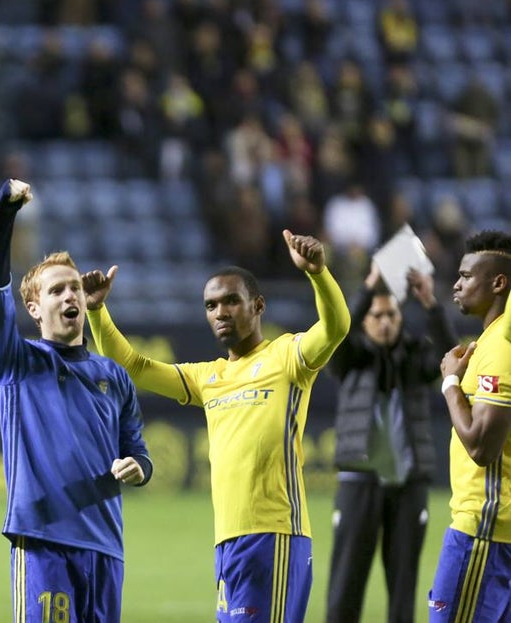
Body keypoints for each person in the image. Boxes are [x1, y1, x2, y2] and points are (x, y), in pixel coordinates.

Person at [83, 229, 350, 622]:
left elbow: (336, 327)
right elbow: (134, 367)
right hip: (227, 542)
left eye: (231, 301)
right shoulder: (208, 377)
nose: (220, 312)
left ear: (258, 305)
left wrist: (318, 274)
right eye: (210, 305)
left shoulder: (286, 357)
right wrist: (95, 311)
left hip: (274, 536)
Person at [0, 178, 153, 623]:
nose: (69, 294)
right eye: (56, 290)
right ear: (34, 309)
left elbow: (138, 452)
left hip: (107, 547)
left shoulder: (114, 377)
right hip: (43, 542)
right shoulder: (17, 362)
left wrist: (139, 468)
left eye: (73, 286)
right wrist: (4, 213)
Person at [325, 263, 458, 623]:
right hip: (359, 480)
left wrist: (430, 304)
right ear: (364, 320)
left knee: (403, 588)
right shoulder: (349, 357)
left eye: (392, 314)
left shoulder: (415, 356)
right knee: (345, 587)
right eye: (377, 315)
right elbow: (334, 335)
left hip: (408, 482)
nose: (385, 321)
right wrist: (366, 289)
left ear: (401, 318)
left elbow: (455, 358)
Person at [428, 230, 511, 621]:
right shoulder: (492, 340)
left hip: (484, 532)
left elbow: (480, 447)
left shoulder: (500, 349)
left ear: (498, 282)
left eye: (466, 275)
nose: (457, 284)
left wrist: (449, 383)